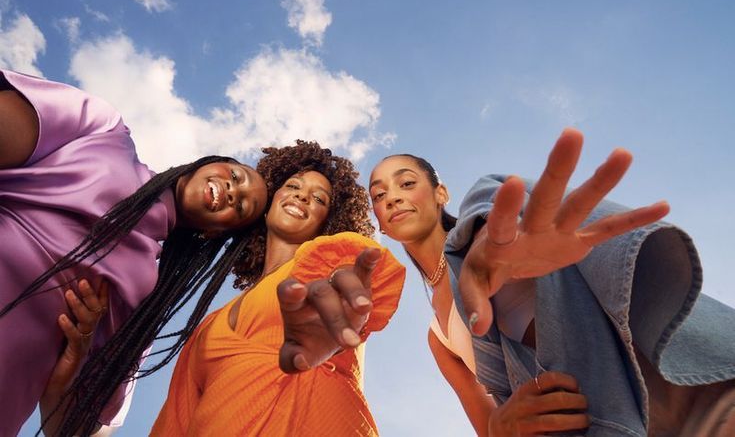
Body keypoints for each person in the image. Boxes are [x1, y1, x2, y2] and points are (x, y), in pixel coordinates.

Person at [281, 129, 735, 435]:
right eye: (379, 195)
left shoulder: (490, 226)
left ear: (439, 193)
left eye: (406, 182)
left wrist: (483, 260)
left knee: (492, 187)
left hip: (692, 379)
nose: (392, 197)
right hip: (600, 421)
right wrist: (506, 423)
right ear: (378, 220)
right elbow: (491, 427)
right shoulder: (439, 339)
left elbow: (496, 228)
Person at [0, 68, 269, 436]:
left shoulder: (144, 296)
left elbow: (83, 430)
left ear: (213, 231)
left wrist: (71, 367)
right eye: (237, 176)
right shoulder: (105, 132)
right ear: (211, 162)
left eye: (240, 210)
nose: (234, 192)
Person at [152, 141, 406, 436]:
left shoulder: (326, 266)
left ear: (329, 223)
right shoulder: (206, 327)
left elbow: (362, 268)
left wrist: (347, 302)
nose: (303, 195)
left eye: (320, 199)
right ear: (269, 201)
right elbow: (174, 422)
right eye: (293, 185)